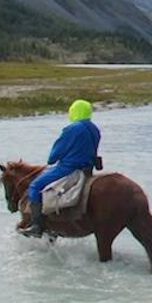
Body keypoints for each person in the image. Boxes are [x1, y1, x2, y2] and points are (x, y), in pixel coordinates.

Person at [19, 99, 101, 238]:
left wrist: (52, 159)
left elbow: (54, 156)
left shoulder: (72, 129)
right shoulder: (94, 129)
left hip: (68, 168)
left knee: (35, 186)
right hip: (87, 169)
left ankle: (36, 226)